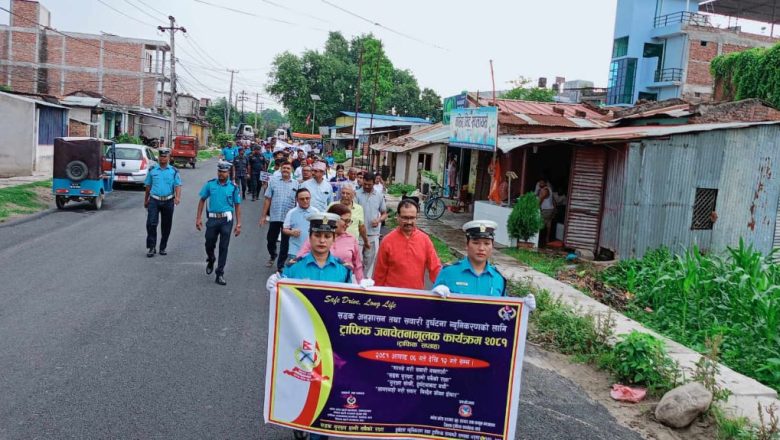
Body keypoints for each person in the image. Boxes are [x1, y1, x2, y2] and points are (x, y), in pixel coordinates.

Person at [432, 220, 537, 312]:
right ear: (467, 244)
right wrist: (434, 297)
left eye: (487, 243)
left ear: (492, 246)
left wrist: (523, 308)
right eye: (476, 242)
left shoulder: (498, 279)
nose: (481, 248)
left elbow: (503, 313)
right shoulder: (448, 273)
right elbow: (430, 312)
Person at [373, 199, 441, 290]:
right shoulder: (387, 241)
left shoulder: (425, 240)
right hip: (391, 297)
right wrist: (377, 295)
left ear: (417, 217)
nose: (409, 222)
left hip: (416, 297)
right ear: (398, 217)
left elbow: (435, 268)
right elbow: (379, 273)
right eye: (405, 218)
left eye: (412, 218)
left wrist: (442, 286)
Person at [195, 161, 242, 285]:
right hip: (212, 219)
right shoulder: (210, 185)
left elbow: (237, 206)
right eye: (220, 171)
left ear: (228, 173)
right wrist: (198, 218)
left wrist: (238, 224)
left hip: (227, 220)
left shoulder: (233, 187)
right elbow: (202, 200)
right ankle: (211, 258)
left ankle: (220, 273)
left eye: (224, 172)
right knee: (209, 243)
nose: (221, 174)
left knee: (223, 247)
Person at [296, 203, 364, 282]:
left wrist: (362, 285)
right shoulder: (315, 238)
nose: (347, 225)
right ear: (334, 220)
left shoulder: (351, 240)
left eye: (349, 221)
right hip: (317, 280)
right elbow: (300, 258)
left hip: (342, 283)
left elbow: (358, 266)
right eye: (346, 221)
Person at [143, 147, 182, 258]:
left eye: (165, 156)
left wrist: (178, 197)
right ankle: (151, 247)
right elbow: (148, 186)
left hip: (168, 200)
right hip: (154, 200)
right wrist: (146, 200)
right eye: (161, 156)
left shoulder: (173, 171)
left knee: (166, 225)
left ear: (169, 158)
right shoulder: (152, 170)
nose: (162, 158)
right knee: (151, 223)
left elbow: (178, 185)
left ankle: (162, 247)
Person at [260, 162, 299, 268]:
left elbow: (297, 202)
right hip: (275, 216)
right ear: (280, 170)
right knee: (270, 239)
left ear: (291, 170)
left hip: (289, 218)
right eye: (284, 168)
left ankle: (280, 265)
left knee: (285, 243)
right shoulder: (273, 181)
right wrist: (263, 216)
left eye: (288, 168)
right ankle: (273, 255)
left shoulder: (296, 184)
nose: (286, 170)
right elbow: (267, 199)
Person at [355, 172, 387, 278]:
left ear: (374, 183)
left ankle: (364, 281)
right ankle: (356, 281)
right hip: (358, 233)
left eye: (369, 184)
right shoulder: (356, 194)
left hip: (373, 234)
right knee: (357, 260)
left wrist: (378, 220)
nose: (367, 186)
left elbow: (384, 213)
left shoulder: (379, 195)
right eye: (365, 184)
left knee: (368, 261)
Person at [282, 188, 319, 270]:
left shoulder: (316, 212)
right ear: (297, 200)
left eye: (307, 198)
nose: (305, 201)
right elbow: (285, 229)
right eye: (302, 199)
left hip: (311, 250)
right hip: (295, 250)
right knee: (293, 273)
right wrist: (291, 232)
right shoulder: (291, 212)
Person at [538, 178, 556, 245]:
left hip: (546, 210)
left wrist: (536, 207)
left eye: (542, 183)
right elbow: (553, 200)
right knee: (548, 225)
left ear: (545, 183)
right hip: (550, 209)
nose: (540, 184)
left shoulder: (545, 190)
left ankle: (539, 240)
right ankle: (547, 239)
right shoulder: (549, 189)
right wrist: (554, 209)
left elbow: (541, 199)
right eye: (540, 183)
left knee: (540, 224)